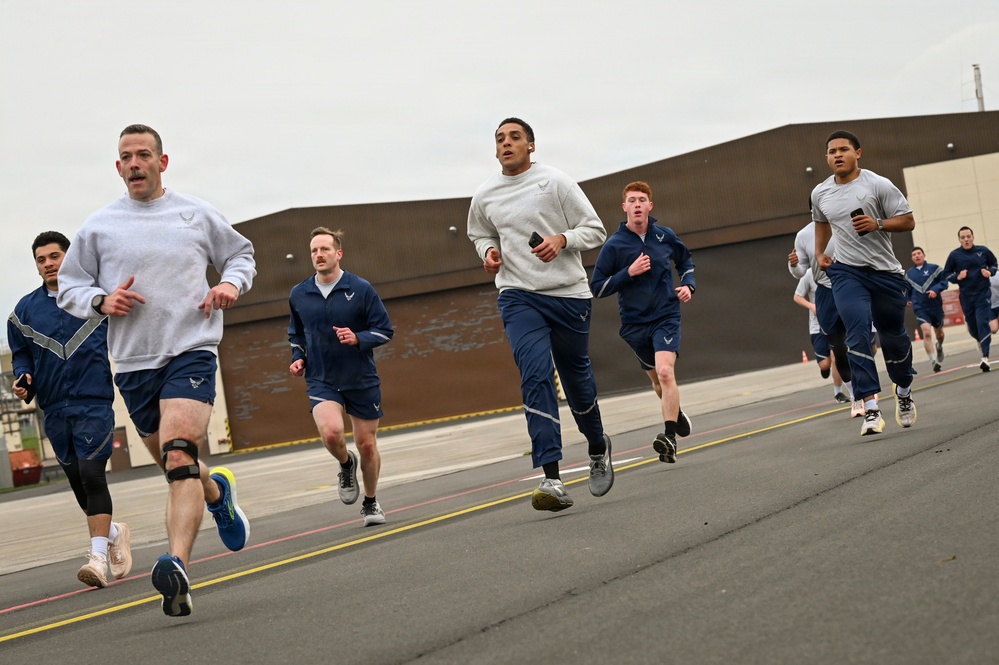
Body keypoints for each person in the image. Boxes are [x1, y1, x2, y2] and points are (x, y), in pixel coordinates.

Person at [57, 124, 256, 617]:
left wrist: (230, 284)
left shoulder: (194, 212)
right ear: (118, 167)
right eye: (125, 156)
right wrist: (102, 300)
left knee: (180, 454)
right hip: (133, 363)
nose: (134, 163)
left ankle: (177, 565)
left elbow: (240, 254)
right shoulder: (99, 226)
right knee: (178, 468)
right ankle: (217, 493)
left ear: (162, 163)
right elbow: (69, 287)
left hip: (191, 347)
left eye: (143, 154)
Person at [467, 117, 612, 512]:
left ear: (531, 145)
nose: (507, 143)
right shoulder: (485, 195)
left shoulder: (557, 183)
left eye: (515, 137)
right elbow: (479, 233)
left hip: (568, 295)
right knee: (535, 375)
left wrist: (562, 240)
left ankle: (598, 446)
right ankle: (552, 476)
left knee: (576, 378)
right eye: (500, 139)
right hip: (518, 296)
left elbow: (595, 230)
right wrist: (488, 252)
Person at [7, 231, 133, 589]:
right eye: (41, 259)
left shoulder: (94, 299)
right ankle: (113, 532)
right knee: (79, 485)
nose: (48, 264)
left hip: (93, 400)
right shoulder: (22, 313)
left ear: (69, 257)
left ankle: (96, 560)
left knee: (93, 476)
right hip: (54, 407)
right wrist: (23, 378)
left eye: (55, 256)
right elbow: (22, 356)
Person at [812, 129, 917, 436]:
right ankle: (870, 408)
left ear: (858, 153)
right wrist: (819, 253)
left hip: (885, 274)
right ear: (827, 158)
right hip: (847, 273)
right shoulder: (821, 193)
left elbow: (908, 219)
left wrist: (878, 223)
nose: (837, 155)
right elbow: (821, 221)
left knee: (893, 336)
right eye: (832, 152)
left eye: (843, 150)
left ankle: (904, 391)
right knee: (856, 334)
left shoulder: (878, 184)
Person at [288, 227, 394, 526]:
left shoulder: (360, 289)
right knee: (332, 433)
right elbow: (296, 334)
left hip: (360, 378)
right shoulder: (299, 294)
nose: (319, 255)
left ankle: (371, 503)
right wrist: (298, 358)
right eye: (314, 251)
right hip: (322, 378)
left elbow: (384, 330)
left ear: (338, 253)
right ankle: (346, 464)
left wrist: (358, 338)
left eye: (324, 249)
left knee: (367, 444)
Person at [590, 181, 695, 463]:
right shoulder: (614, 245)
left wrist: (688, 285)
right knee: (658, 382)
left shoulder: (665, 236)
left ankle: (669, 437)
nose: (637, 205)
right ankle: (676, 412)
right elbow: (597, 288)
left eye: (642, 200)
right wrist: (628, 272)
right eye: (632, 200)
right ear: (624, 207)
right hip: (635, 326)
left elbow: (686, 263)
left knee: (664, 372)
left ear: (650, 206)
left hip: (665, 315)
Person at [788, 219, 862, 417]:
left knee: (861, 343)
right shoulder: (804, 235)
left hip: (850, 286)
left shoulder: (844, 223)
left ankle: (868, 394)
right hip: (826, 294)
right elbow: (800, 272)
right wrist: (793, 265)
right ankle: (855, 395)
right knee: (838, 350)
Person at [943, 226, 997, 372]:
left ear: (973, 237)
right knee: (973, 327)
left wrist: (989, 272)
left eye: (968, 236)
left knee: (982, 322)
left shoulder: (983, 251)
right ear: (959, 240)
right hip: (966, 295)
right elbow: (946, 274)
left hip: (983, 293)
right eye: (963, 237)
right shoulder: (954, 255)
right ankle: (979, 340)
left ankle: (985, 357)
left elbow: (994, 264)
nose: (966, 239)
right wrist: (957, 277)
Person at [792, 271, 850, 403]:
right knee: (825, 364)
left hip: (834, 323)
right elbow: (797, 296)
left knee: (837, 355)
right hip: (817, 326)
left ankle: (838, 392)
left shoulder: (835, 271)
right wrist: (811, 306)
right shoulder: (809, 275)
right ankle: (824, 368)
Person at [905, 247, 948, 372]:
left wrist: (936, 290)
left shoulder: (935, 268)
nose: (917, 256)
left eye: (919, 253)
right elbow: (907, 289)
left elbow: (945, 281)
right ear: (912, 258)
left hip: (935, 306)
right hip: (920, 307)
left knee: (939, 334)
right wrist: (907, 299)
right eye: (914, 254)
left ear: (924, 255)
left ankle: (939, 346)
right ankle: (933, 361)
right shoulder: (909, 274)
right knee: (927, 333)